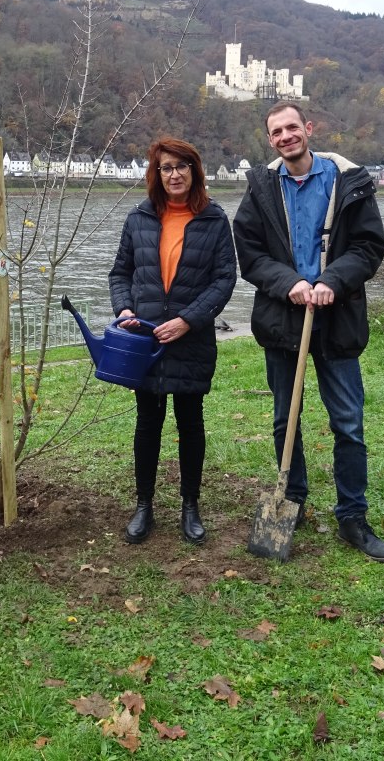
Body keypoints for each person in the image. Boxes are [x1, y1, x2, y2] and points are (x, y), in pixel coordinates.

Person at [232, 100, 384, 562]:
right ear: (270, 140)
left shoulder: (348, 183)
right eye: (276, 132)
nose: (285, 137)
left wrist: (330, 280)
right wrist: (293, 284)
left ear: (309, 128)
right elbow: (250, 254)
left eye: (291, 128)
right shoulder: (262, 188)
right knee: (285, 419)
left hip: (337, 318)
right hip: (283, 318)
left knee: (348, 422)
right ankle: (294, 501)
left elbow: (369, 247)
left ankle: (353, 518)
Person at [108, 138, 237, 545]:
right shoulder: (139, 218)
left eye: (182, 166)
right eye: (166, 167)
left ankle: (190, 505)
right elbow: (119, 274)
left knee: (190, 420)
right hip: (144, 339)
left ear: (195, 171)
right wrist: (124, 310)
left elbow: (224, 280)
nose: (175, 174)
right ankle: (143, 505)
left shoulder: (214, 220)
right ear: (157, 173)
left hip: (189, 339)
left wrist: (188, 320)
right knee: (147, 421)